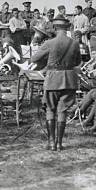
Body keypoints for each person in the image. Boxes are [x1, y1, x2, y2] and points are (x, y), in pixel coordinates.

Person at [31, 15, 81, 151]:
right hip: (69, 80)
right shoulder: (74, 43)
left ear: (54, 27)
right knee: (62, 110)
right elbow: (77, 62)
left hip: (53, 80)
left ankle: (51, 143)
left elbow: (34, 58)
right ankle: (59, 143)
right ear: (67, 28)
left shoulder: (49, 43)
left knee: (50, 109)